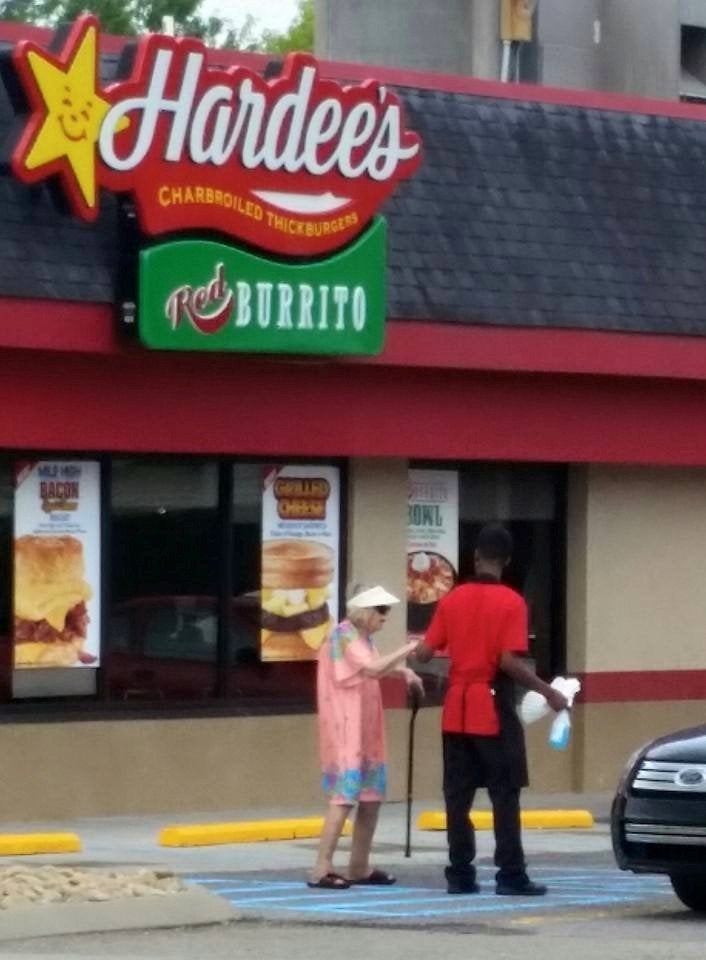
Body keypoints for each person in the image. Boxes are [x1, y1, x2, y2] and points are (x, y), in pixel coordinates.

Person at [414, 523, 569, 897]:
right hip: (493, 703)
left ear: (476, 557)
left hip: (457, 706)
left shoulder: (451, 600)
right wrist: (549, 692)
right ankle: (510, 875)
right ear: (508, 560)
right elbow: (509, 662)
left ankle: (460, 874)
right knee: (505, 793)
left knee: (457, 795)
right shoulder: (512, 602)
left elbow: (423, 653)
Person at [308, 584, 424, 890]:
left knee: (370, 797)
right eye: (381, 611)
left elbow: (374, 666)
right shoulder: (342, 636)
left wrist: (403, 672)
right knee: (344, 796)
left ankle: (358, 866)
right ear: (365, 612)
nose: (385, 617)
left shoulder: (362, 639)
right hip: (346, 724)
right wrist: (411, 647)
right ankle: (321, 868)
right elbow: (371, 669)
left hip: (366, 724)